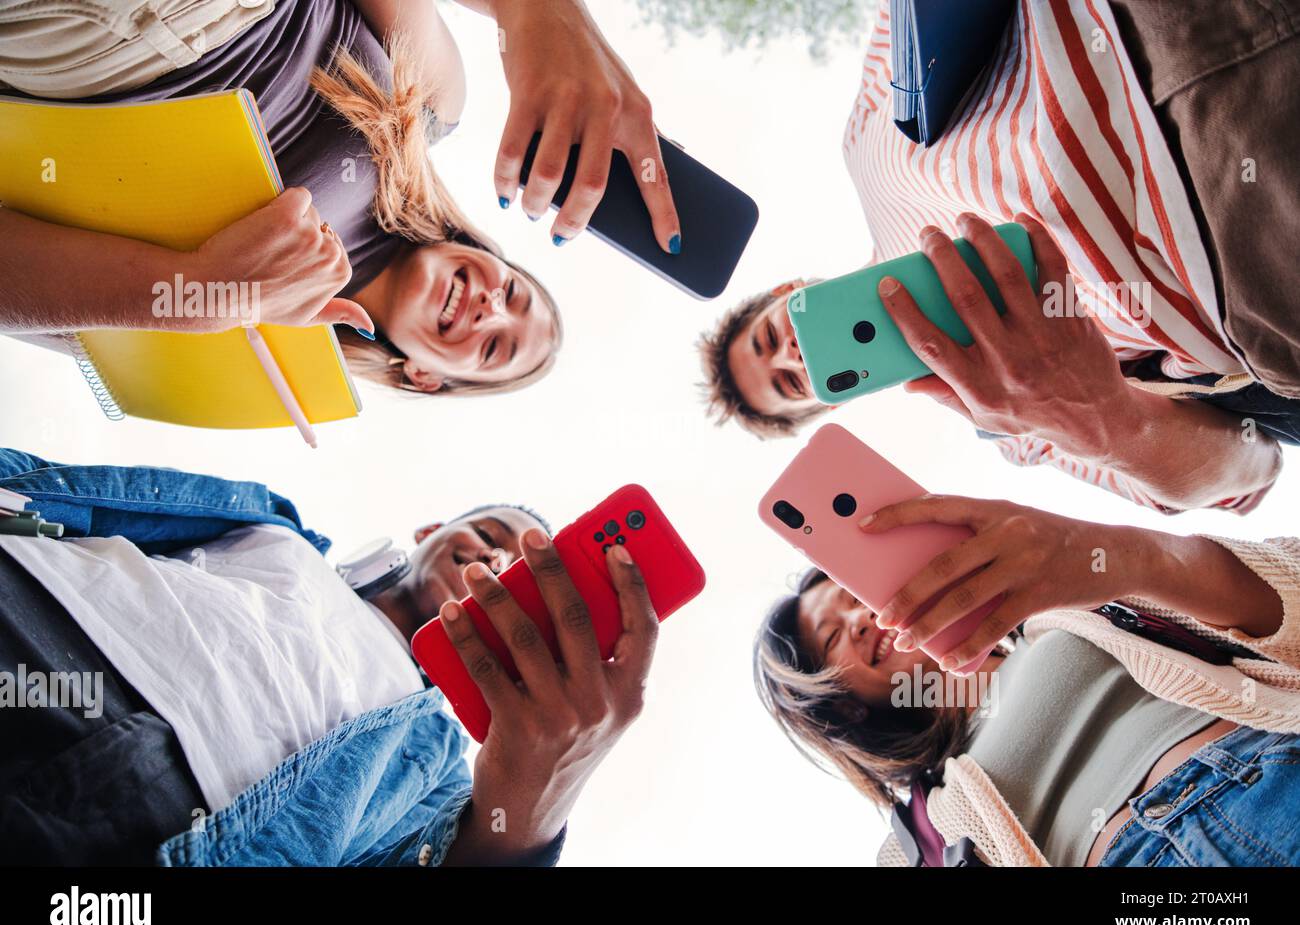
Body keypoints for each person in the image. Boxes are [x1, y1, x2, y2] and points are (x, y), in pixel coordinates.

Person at [700, 0, 1300, 515]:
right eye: (788, 382)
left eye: (769, 337)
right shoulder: (1003, 417)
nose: (791, 354)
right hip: (1252, 270)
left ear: (788, 291)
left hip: (1144, 27)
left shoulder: (863, 146)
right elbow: (1250, 470)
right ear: (827, 399)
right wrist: (1111, 422)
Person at [0, 448, 662, 866]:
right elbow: (62, 492)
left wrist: (534, 807)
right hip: (34, 597)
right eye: (490, 536)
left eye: (519, 571)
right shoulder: (275, 526)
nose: (496, 560)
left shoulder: (435, 770)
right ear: (432, 532)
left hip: (155, 799)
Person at [0, 0, 681, 396]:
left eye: (494, 349)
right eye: (515, 295)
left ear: (424, 376)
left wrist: (205, 293)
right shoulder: (436, 110)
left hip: (57, 42)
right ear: (494, 255)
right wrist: (535, 14)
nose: (489, 309)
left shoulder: (254, 360)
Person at [753, 493, 1300, 866]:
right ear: (843, 706)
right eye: (831, 638)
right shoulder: (914, 839)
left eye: (854, 598)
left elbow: (1284, 603)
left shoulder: (1062, 612)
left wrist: (1123, 558)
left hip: (1270, 769)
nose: (858, 619)